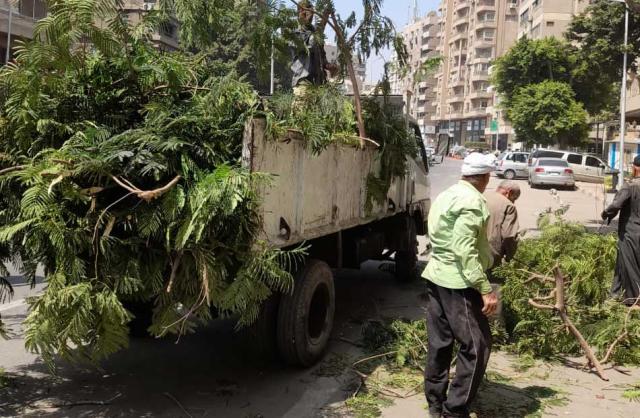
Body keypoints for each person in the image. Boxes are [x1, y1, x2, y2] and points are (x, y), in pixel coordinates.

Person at [422, 153, 499, 418]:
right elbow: (463, 249)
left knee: (440, 342)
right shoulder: (472, 201)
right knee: (477, 346)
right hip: (459, 282)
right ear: (486, 177)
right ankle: (454, 410)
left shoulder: (447, 194)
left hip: (435, 276)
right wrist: (485, 288)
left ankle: (435, 403)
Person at [601, 155, 640, 306]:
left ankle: (634, 301)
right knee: (622, 262)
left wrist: (606, 214)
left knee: (631, 266)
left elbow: (616, 205)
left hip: (631, 233)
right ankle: (614, 295)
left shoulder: (630, 186)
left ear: (635, 168)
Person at [289, 1, 336, 94]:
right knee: (303, 108)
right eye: (306, 12)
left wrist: (328, 66)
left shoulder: (315, 32)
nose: (310, 15)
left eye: (311, 12)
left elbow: (321, 57)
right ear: (300, 12)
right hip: (304, 83)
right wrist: (323, 21)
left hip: (319, 84)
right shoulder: (295, 33)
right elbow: (312, 43)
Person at [485, 180, 521, 280]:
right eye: (514, 198)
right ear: (509, 192)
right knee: (491, 289)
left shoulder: (482, 196)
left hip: (470, 252)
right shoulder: (509, 206)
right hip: (490, 257)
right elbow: (508, 236)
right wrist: (509, 256)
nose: (513, 202)